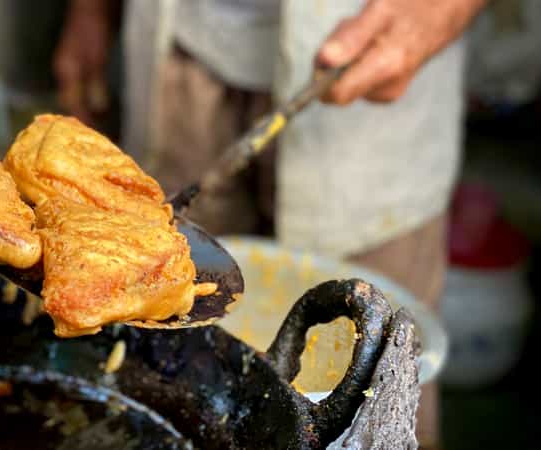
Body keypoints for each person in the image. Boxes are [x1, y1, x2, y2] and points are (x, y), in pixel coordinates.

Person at [54, 1, 489, 448]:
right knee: (154, 376)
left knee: (373, 397)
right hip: (182, 54)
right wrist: (90, 11)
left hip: (375, 111)